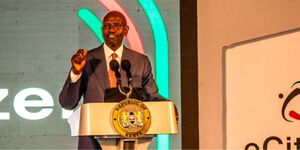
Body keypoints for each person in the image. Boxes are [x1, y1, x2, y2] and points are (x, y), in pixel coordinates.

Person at [59, 11, 164, 149]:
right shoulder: (87, 60)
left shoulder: (140, 61)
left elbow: (152, 96)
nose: (111, 29)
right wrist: (76, 72)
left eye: (116, 25)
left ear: (126, 30)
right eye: (107, 25)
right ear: (102, 30)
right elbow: (67, 103)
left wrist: (167, 106)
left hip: (129, 138)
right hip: (93, 140)